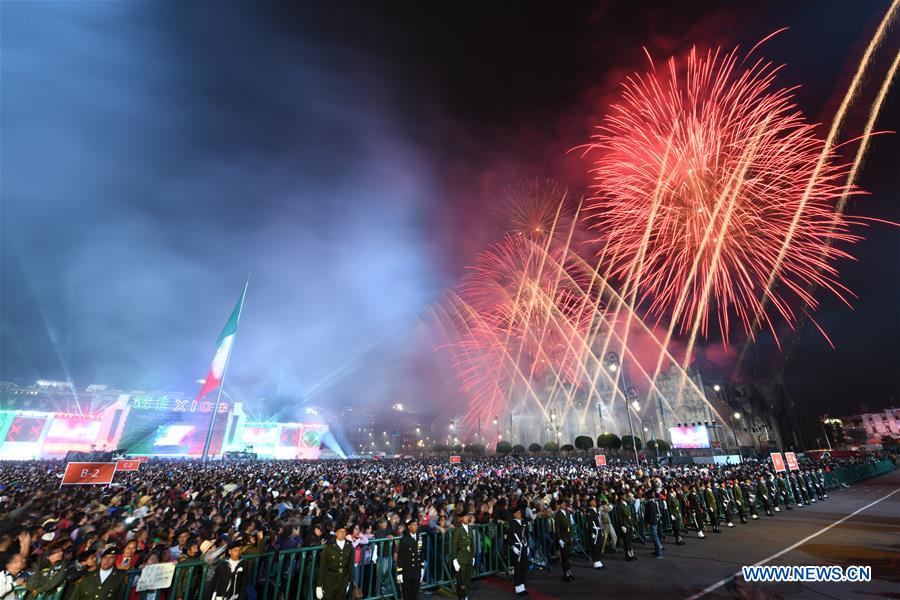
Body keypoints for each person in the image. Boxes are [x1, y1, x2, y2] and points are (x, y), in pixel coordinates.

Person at [316, 523, 352, 600]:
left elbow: (350, 565)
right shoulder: (329, 547)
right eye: (340, 531)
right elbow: (322, 566)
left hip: (343, 579)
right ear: (336, 533)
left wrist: (349, 581)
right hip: (330, 580)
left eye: (344, 531)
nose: (342, 533)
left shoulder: (349, 545)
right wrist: (319, 585)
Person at [449, 511, 474, 600]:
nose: (467, 518)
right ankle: (461, 597)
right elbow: (454, 546)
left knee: (467, 578)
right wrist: (454, 560)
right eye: (465, 516)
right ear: (461, 519)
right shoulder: (458, 530)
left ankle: (465, 596)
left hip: (469, 557)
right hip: (461, 557)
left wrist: (473, 556)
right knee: (461, 579)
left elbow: (472, 544)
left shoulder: (470, 529)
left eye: (468, 516)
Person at [396, 518, 423, 600]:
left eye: (416, 525)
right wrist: (399, 572)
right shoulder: (404, 540)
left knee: (414, 593)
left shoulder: (419, 538)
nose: (416, 527)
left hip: (416, 570)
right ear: (409, 527)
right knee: (406, 594)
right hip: (407, 571)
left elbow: (421, 554)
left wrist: (422, 569)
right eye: (413, 525)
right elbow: (400, 557)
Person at [506, 506, 529, 596]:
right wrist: (513, 547)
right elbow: (509, 537)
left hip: (523, 546)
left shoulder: (523, 522)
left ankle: (522, 586)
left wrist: (527, 547)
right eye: (518, 513)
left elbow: (526, 535)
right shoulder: (512, 523)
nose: (520, 514)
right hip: (517, 547)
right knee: (517, 568)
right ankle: (518, 588)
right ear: (514, 514)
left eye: (520, 512)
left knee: (524, 567)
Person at [553, 499, 573, 582]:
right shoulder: (557, 514)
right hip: (563, 536)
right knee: (564, 556)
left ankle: (569, 571)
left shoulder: (567, 513)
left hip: (568, 536)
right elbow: (557, 528)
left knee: (568, 556)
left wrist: (571, 536)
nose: (565, 504)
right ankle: (565, 573)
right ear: (560, 505)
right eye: (563, 503)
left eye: (565, 503)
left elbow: (569, 526)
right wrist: (560, 539)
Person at [585, 498, 605, 570]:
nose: (595, 502)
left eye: (595, 501)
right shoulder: (589, 511)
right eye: (593, 501)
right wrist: (592, 532)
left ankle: (599, 561)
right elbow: (590, 522)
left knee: (599, 545)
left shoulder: (596, 510)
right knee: (595, 546)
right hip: (594, 530)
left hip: (599, 529)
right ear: (590, 502)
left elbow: (599, 520)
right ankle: (596, 562)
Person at [616, 494, 636, 562]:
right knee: (626, 541)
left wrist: (632, 525)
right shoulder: (620, 506)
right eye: (624, 496)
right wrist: (622, 526)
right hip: (625, 525)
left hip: (629, 524)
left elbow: (630, 515)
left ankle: (632, 553)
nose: (626, 497)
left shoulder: (627, 504)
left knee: (630, 540)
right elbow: (620, 517)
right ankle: (627, 555)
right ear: (621, 497)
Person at [644, 491, 663, 558]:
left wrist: (648, 523)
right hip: (655, 521)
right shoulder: (653, 502)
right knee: (654, 537)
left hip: (652, 522)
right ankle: (657, 551)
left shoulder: (649, 503)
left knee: (655, 537)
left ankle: (660, 553)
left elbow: (650, 514)